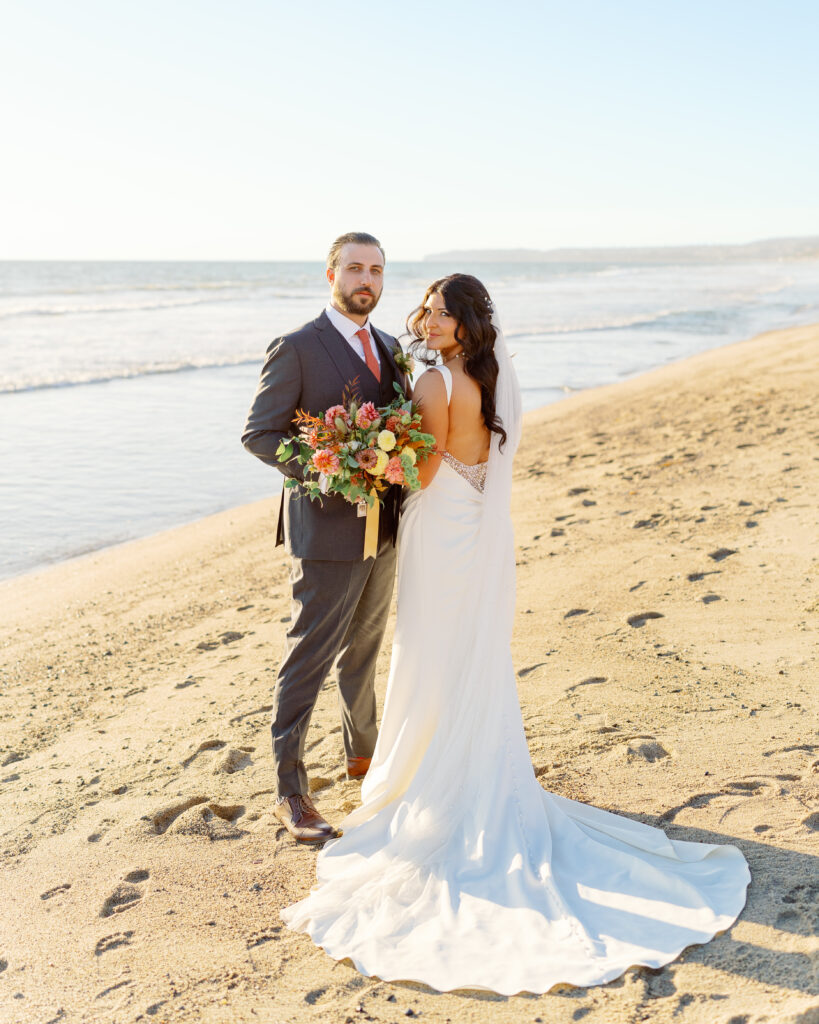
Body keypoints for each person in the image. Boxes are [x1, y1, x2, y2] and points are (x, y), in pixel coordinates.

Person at [278, 273, 751, 994]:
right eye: (427, 312)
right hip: (477, 526)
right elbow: (478, 461)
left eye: (440, 314)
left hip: (440, 529)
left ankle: (430, 782)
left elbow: (426, 465)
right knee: (466, 656)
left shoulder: (436, 384)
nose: (428, 321)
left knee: (431, 655)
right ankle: (459, 766)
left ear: (464, 323)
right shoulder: (493, 376)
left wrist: (372, 462)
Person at [242, 232, 408, 845]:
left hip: (385, 531)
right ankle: (290, 790)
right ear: (331, 275)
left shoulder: (391, 347)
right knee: (308, 658)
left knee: (364, 655)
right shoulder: (297, 347)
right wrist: (331, 465)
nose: (367, 279)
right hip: (326, 533)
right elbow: (259, 435)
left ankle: (364, 763)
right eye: (355, 268)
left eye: (377, 270)